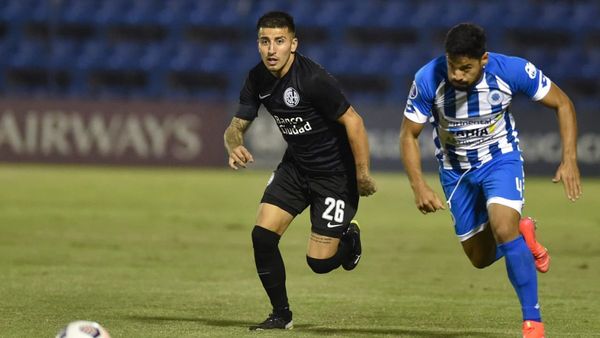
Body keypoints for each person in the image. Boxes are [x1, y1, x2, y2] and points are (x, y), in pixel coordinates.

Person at [399, 23, 582, 337]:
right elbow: (408, 135)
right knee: (479, 258)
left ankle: (533, 322)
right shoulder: (428, 78)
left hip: (500, 161)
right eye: (453, 66)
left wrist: (569, 159)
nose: (457, 74)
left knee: (502, 226)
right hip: (456, 173)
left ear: (483, 60)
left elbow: (563, 103)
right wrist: (419, 185)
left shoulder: (511, 69)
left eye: (466, 68)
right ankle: (524, 237)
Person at [223, 11, 377, 330]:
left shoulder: (312, 79)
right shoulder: (257, 79)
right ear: (258, 44)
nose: (271, 49)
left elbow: (355, 122)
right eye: (265, 41)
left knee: (318, 264)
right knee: (262, 236)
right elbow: (235, 127)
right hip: (295, 169)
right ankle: (281, 315)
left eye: (279, 41)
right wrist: (233, 144)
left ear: (293, 44)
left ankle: (349, 239)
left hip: (335, 176)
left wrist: (362, 174)